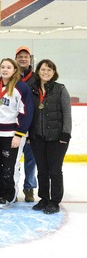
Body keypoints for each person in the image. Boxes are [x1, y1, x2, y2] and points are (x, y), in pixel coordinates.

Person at [0, 58, 34, 208]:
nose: (5, 69)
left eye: (8, 67)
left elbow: (26, 112)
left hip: (12, 135)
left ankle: (9, 195)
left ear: (14, 70)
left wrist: (19, 134)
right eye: (2, 67)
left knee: (9, 167)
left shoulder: (21, 88)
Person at [30, 59, 72, 214]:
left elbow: (67, 113)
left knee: (54, 170)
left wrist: (65, 134)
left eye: (49, 70)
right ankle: (44, 199)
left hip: (57, 138)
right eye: (43, 69)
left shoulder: (60, 89)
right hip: (37, 137)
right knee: (42, 170)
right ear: (38, 71)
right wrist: (30, 133)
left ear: (54, 72)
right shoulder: (33, 89)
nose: (45, 72)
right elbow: (30, 113)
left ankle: (54, 201)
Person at [15, 46, 38, 202]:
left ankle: (29, 188)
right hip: (14, 128)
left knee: (31, 161)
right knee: (13, 162)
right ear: (16, 59)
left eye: (26, 56)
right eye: (20, 56)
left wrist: (33, 130)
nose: (23, 59)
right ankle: (12, 189)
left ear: (30, 59)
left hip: (32, 127)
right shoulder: (11, 76)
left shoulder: (37, 78)